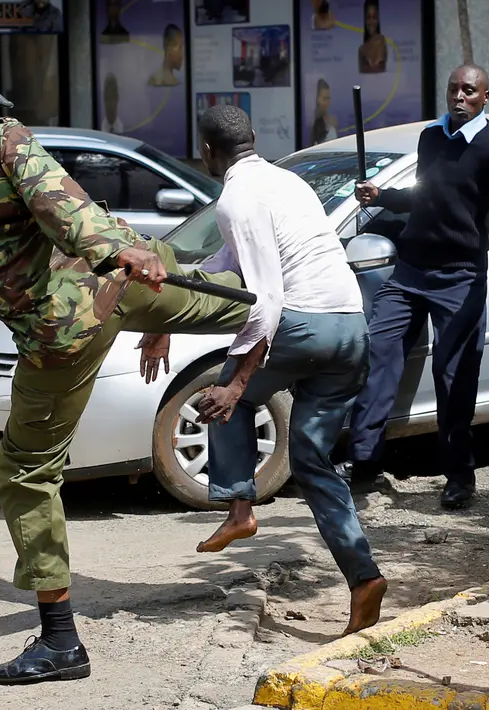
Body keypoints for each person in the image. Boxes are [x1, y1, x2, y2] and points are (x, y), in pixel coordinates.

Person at [0, 60, 254, 685]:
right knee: (220, 300)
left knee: (25, 474)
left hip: (58, 338)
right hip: (117, 285)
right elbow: (67, 208)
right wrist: (119, 251)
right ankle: (292, 301)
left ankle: (61, 641)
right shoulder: (3, 139)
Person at [142, 104, 387, 636]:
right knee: (312, 461)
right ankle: (364, 579)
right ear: (252, 137)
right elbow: (226, 265)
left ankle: (239, 507)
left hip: (300, 324)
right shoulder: (287, 182)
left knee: (224, 398)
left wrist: (238, 382)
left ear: (205, 151)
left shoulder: (235, 199)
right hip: (350, 329)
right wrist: (164, 314)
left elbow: (267, 296)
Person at [335, 65, 489, 509]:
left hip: (460, 276)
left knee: (454, 377)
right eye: (453, 88)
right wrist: (382, 196)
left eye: (469, 90)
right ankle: (364, 464)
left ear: (485, 96)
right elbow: (428, 196)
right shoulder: (431, 137)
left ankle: (460, 477)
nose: (459, 96)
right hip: (410, 271)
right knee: (378, 356)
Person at [357, 0, 386, 74]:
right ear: (365, 20)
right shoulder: (361, 50)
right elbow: (360, 79)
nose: (371, 22)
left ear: (378, 19)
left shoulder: (381, 41)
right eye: (368, 17)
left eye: (374, 17)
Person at [311, 78, 338, 144]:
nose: (327, 102)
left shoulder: (333, 121)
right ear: (318, 100)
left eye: (328, 98)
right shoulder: (313, 123)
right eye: (324, 98)